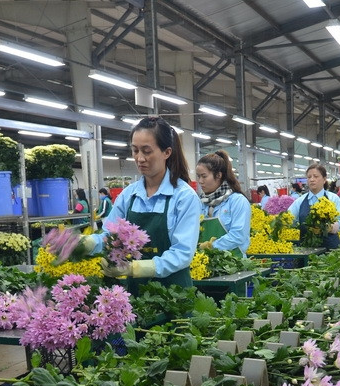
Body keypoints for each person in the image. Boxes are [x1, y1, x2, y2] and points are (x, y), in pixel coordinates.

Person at [77, 116, 200, 292]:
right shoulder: (129, 195)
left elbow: (182, 253)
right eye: (135, 150)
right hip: (135, 295)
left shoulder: (184, 197)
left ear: (167, 152)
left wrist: (134, 268)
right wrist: (88, 242)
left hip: (175, 295)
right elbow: (110, 235)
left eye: (147, 151)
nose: (140, 158)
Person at [195, 150, 251, 256]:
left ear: (218, 175)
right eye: (198, 176)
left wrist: (212, 246)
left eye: (204, 176)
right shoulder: (200, 203)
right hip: (205, 261)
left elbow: (238, 235)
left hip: (235, 263)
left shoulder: (237, 201)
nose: (200, 181)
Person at [287, 163, 340, 249]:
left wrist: (327, 228)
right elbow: (289, 219)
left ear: (324, 179)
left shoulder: (333, 198)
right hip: (306, 248)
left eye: (315, 176)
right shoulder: (300, 201)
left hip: (329, 249)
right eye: (309, 177)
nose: (312, 179)